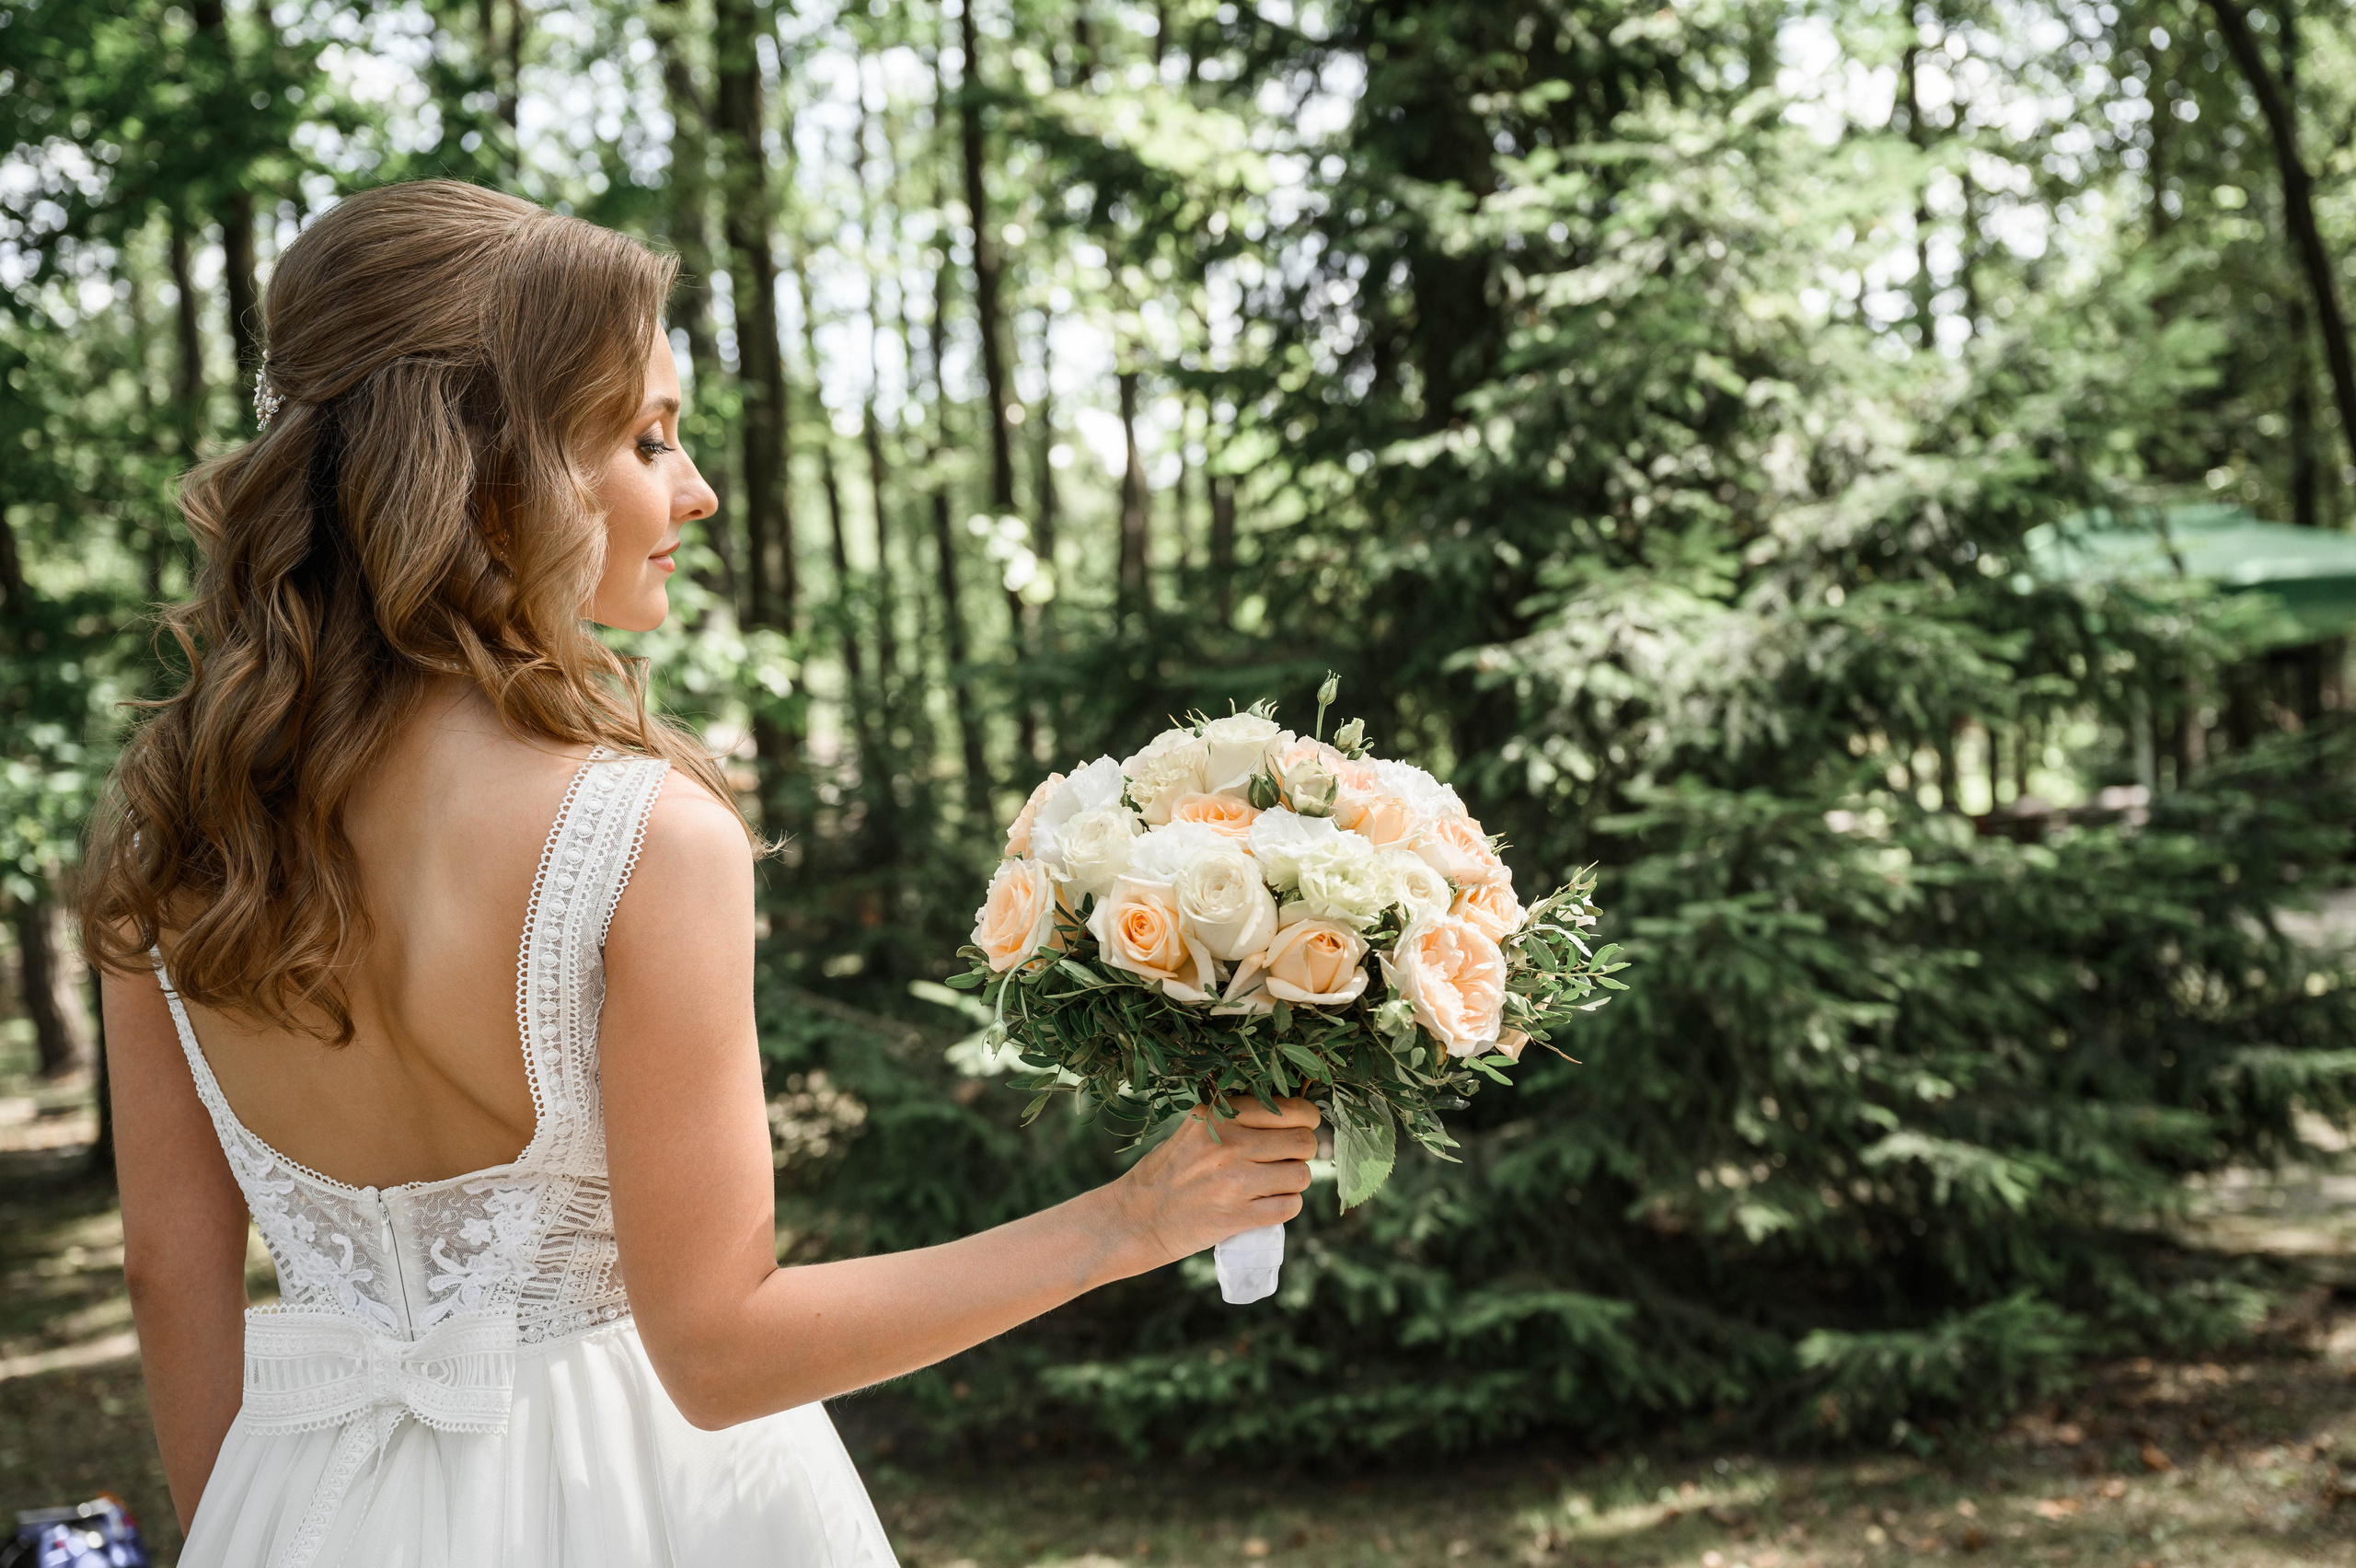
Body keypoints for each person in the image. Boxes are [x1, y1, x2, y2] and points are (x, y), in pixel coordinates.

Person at [78, 179, 1318, 1568]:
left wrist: (244, 1534)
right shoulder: (640, 839)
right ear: (500, 476)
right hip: (640, 1506)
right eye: (647, 436)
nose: (697, 488)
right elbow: (720, 1355)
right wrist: (1136, 1217)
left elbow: (167, 1273)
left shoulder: (167, 846)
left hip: (300, 1512)